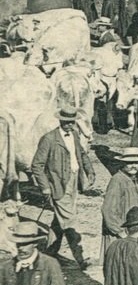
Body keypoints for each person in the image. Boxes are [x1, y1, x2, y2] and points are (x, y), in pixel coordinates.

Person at [31, 108, 95, 269]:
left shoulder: (74, 134)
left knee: (59, 221)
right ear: (60, 121)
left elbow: (82, 153)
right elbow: (37, 165)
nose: (69, 125)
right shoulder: (49, 139)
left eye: (72, 122)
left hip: (74, 181)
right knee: (69, 220)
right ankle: (81, 258)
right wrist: (45, 187)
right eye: (66, 122)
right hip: (58, 185)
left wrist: (90, 171)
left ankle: (48, 254)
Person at [101, 148, 138, 255]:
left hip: (129, 232)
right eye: (129, 163)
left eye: (136, 162)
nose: (134, 166)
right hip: (119, 234)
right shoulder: (117, 180)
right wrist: (120, 231)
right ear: (122, 164)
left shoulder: (130, 179)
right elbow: (108, 209)